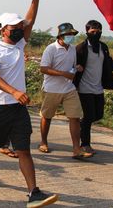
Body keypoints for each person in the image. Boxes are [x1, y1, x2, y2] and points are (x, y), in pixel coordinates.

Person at [0, 0, 59, 207]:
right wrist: (14, 91)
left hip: (18, 108)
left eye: (20, 27)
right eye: (15, 28)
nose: (20, 30)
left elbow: (30, 19)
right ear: (4, 30)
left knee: (23, 149)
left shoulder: (20, 45)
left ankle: (33, 193)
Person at [38, 23, 93, 159]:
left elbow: (72, 67)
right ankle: (43, 142)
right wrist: (63, 73)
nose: (71, 37)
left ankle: (76, 149)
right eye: (68, 35)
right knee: (47, 116)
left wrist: (76, 68)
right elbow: (44, 68)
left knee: (74, 117)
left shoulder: (73, 49)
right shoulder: (51, 49)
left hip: (69, 88)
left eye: (72, 35)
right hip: (52, 89)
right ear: (61, 36)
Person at [74, 20, 113, 154]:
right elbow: (72, 63)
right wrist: (75, 68)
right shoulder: (81, 48)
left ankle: (82, 125)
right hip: (84, 88)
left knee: (98, 114)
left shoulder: (103, 47)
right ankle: (85, 144)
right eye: (93, 31)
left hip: (98, 87)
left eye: (98, 31)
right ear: (87, 32)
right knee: (89, 115)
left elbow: (109, 62)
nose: (96, 33)